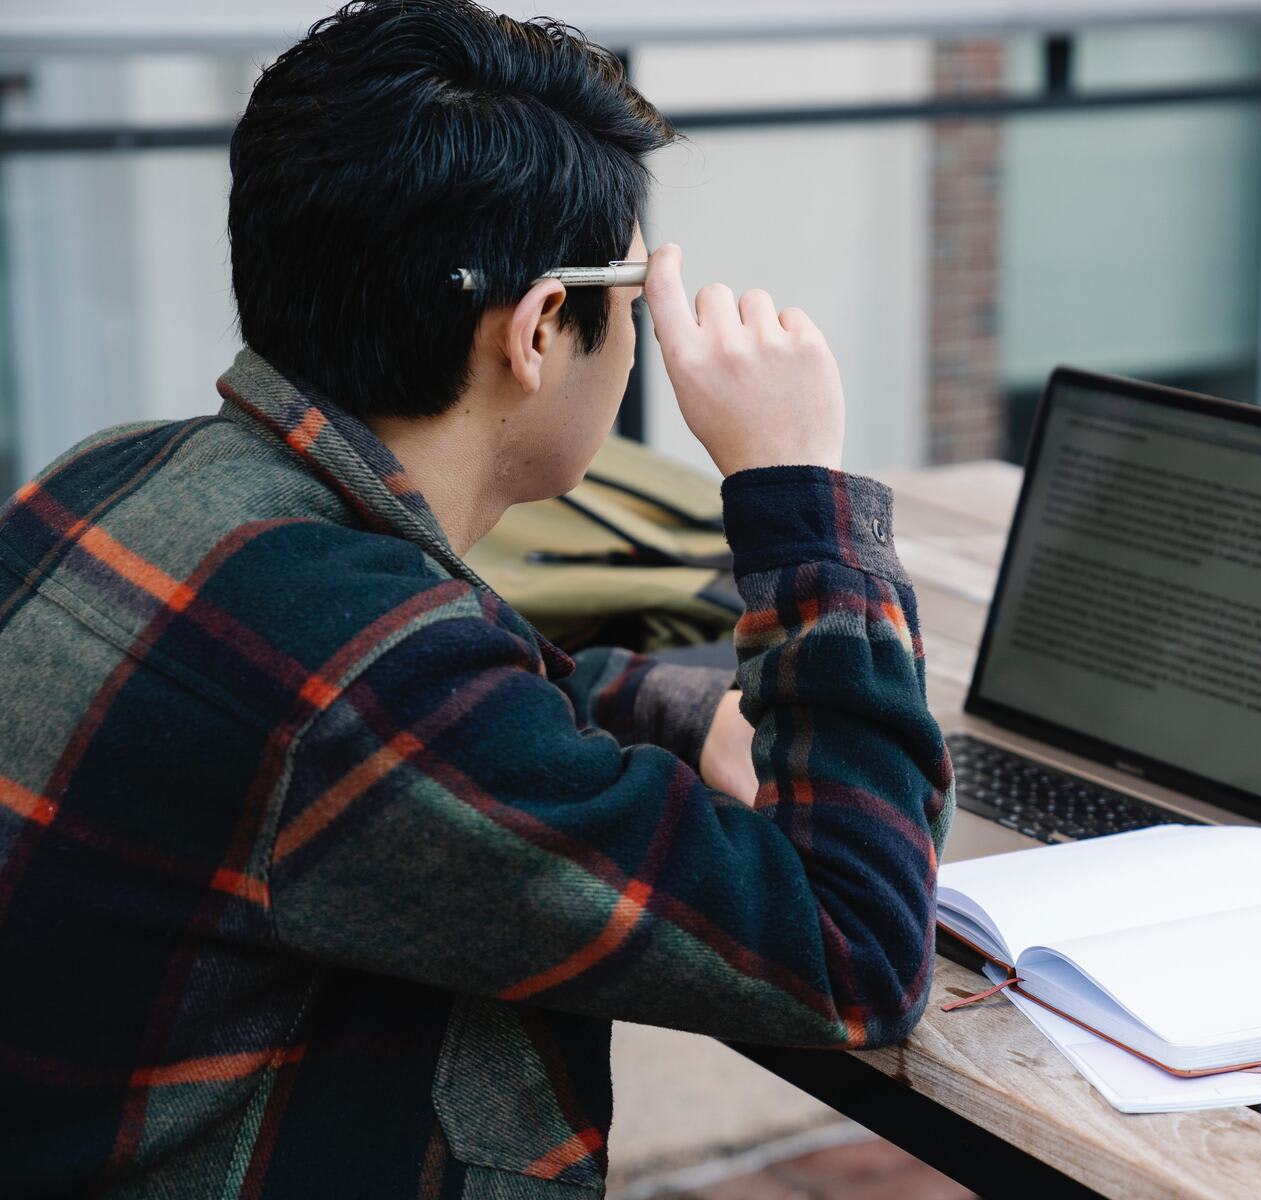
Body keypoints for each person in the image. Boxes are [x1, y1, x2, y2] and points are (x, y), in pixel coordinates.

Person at [0, 1, 953, 1194]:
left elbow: (410, 726)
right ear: (543, 327)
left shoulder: (118, 471)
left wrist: (665, 712)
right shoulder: (371, 673)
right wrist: (800, 494)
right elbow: (853, 957)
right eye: (641, 286)